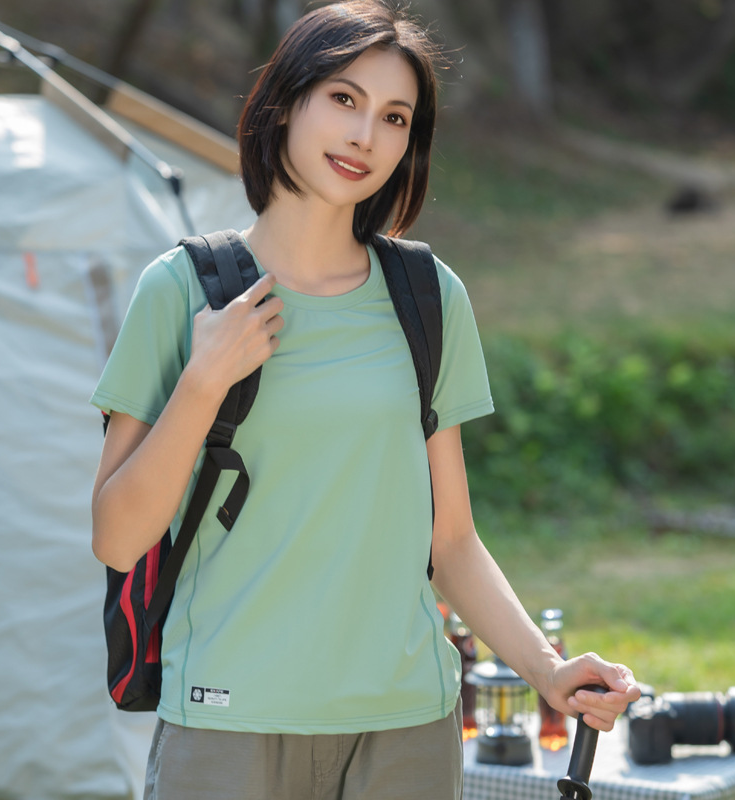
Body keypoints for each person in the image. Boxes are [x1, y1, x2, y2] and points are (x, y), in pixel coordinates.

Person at [90, 2, 640, 798]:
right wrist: (203, 380)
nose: (364, 136)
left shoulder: (428, 296)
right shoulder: (181, 292)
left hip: (405, 728)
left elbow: (451, 540)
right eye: (343, 99)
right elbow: (116, 537)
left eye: (394, 117)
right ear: (286, 102)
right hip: (230, 721)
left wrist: (548, 673)